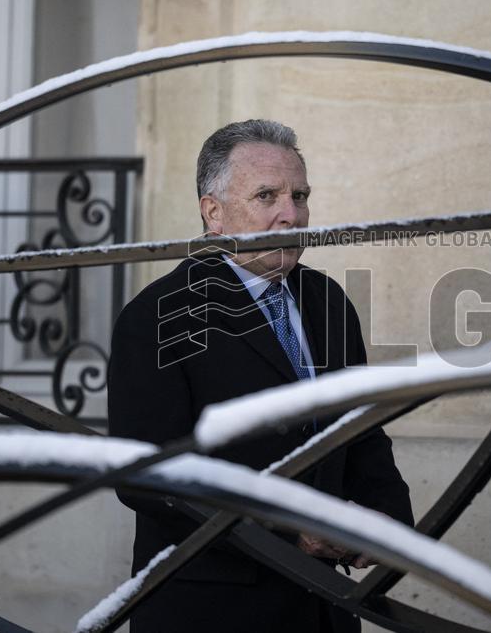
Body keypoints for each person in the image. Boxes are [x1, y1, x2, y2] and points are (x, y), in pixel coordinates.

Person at [108, 119, 413, 632]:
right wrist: (289, 531)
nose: (289, 214)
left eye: (300, 195)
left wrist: (386, 520)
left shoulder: (328, 300)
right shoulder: (157, 315)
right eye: (266, 195)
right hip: (212, 610)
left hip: (324, 609)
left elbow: (361, 432)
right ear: (214, 213)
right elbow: (148, 479)